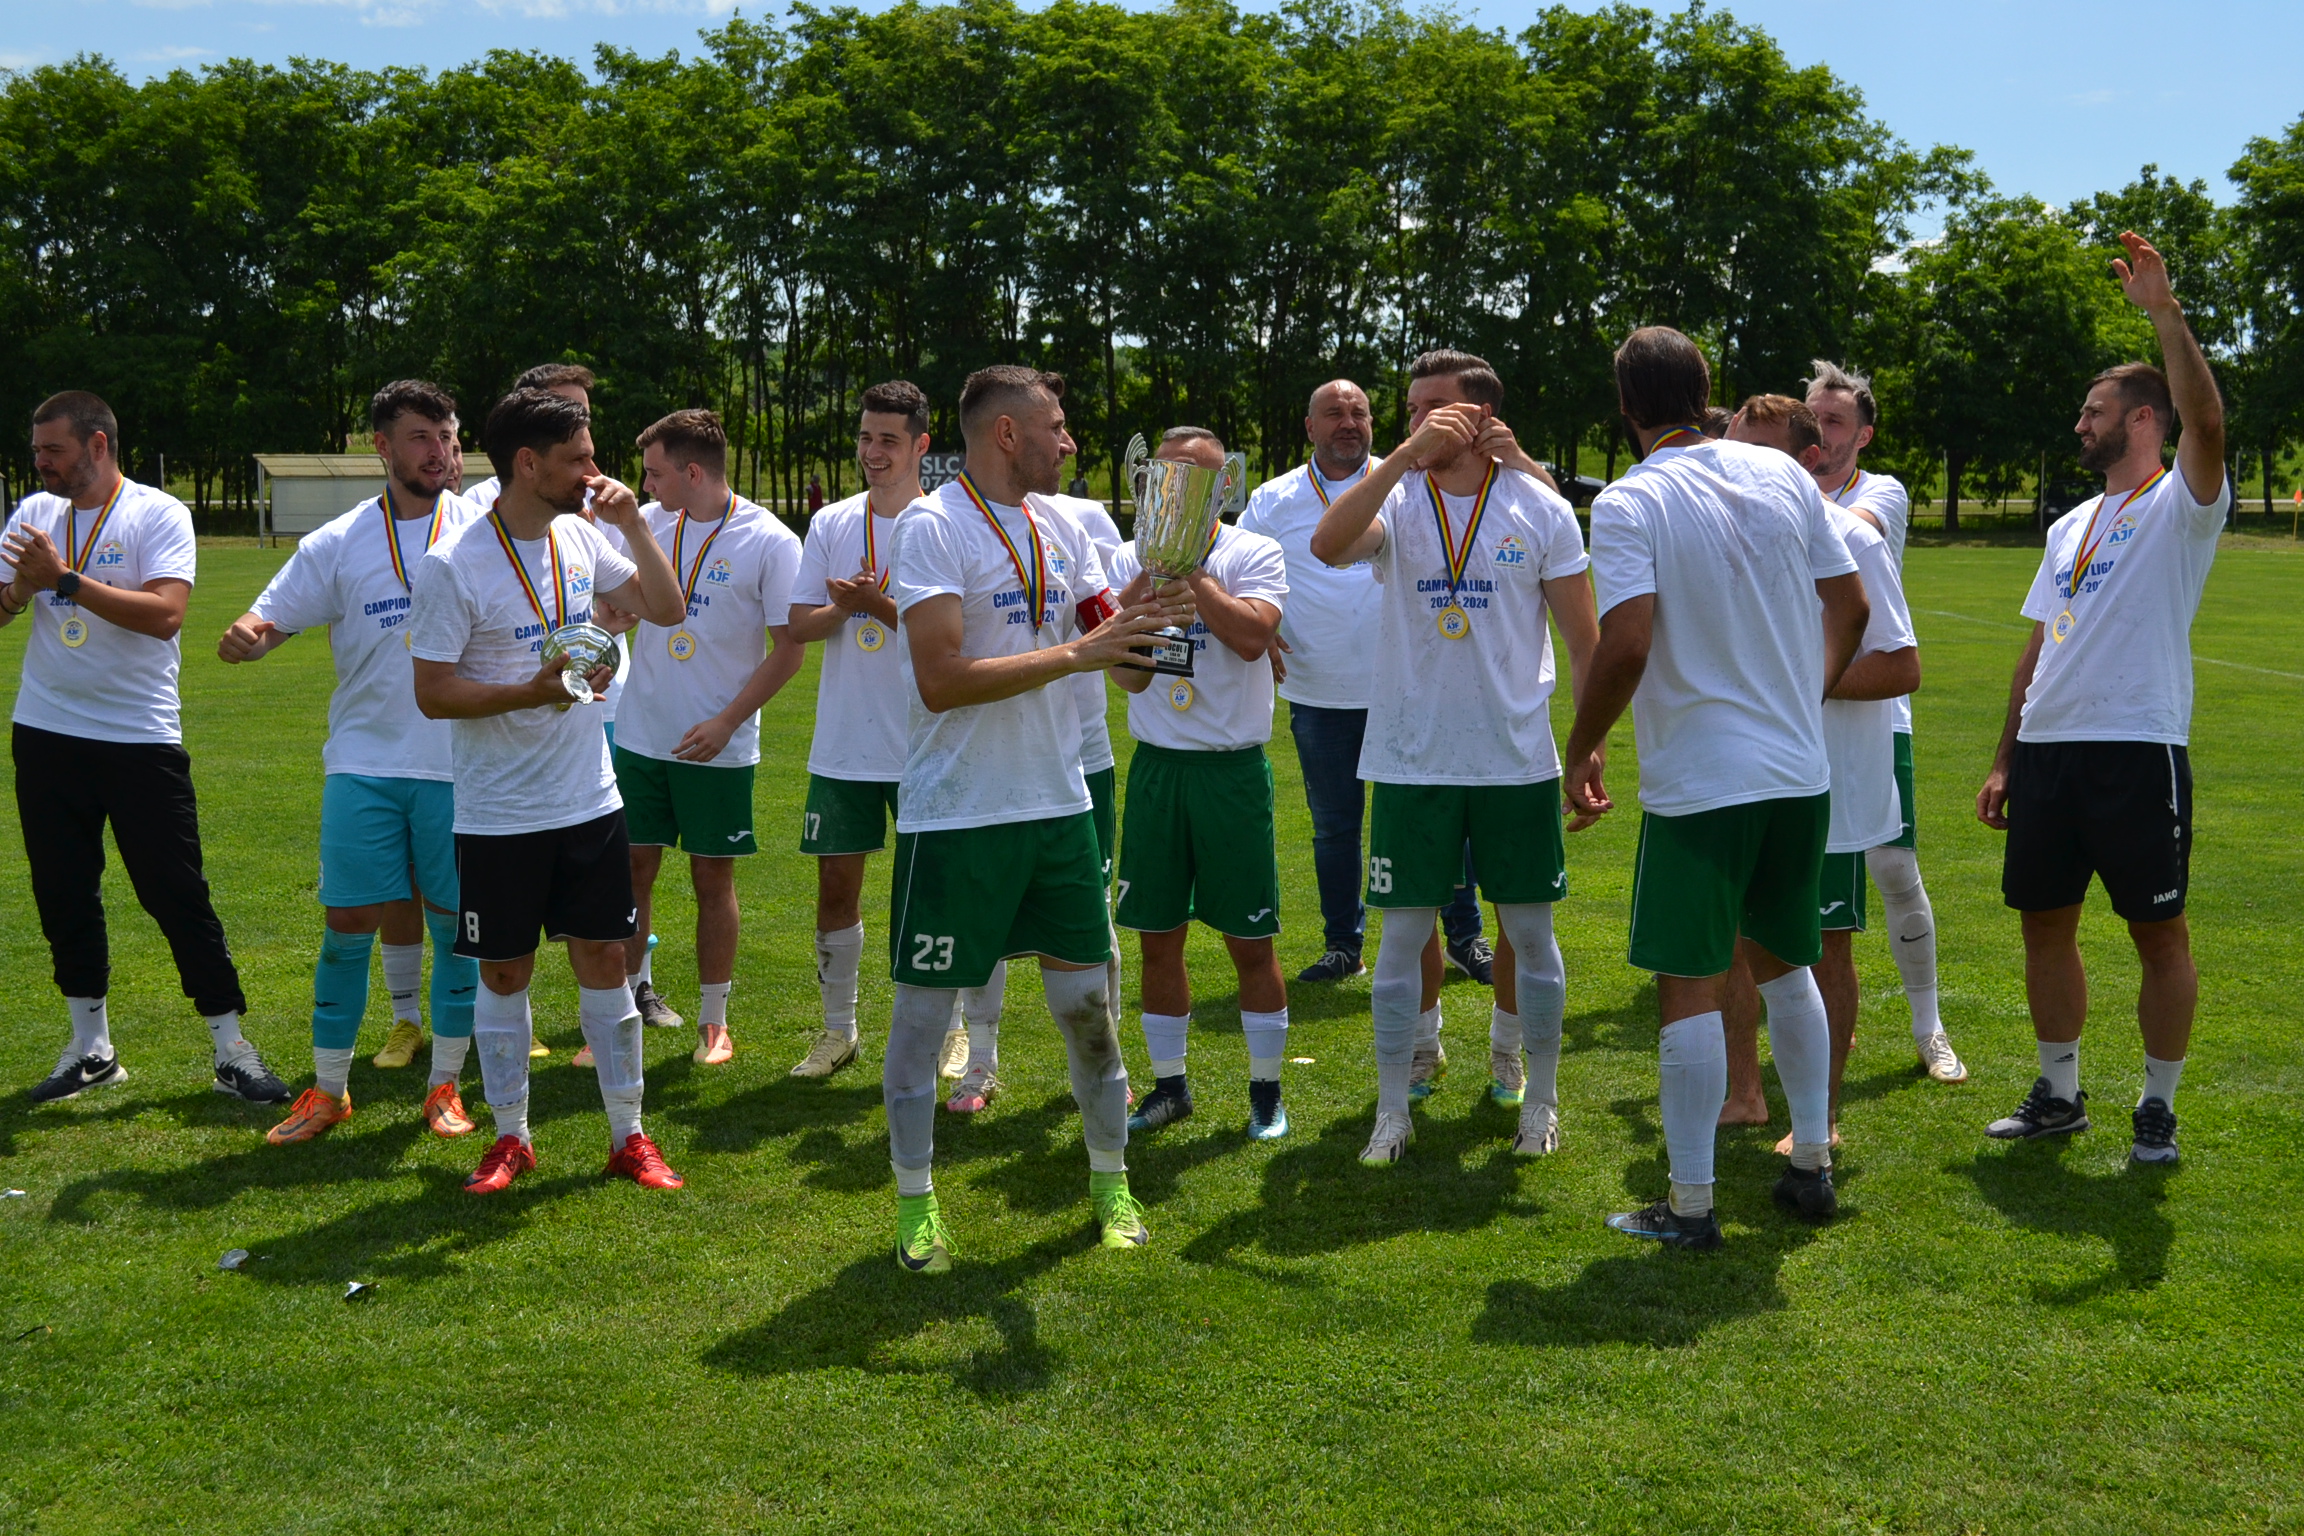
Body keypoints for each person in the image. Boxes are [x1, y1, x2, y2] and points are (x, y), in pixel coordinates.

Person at [1563, 327, 1868, 1248]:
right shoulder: (1780, 474)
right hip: (1797, 773)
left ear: (1626, 407)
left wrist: (1581, 747)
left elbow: (1626, 643)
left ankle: (1691, 1206)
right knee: (1786, 964)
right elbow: (1850, 605)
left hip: (1702, 781)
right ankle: (1811, 1165)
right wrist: (1803, 693)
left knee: (1689, 986)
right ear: (1704, 393)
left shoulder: (1629, 499)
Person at [879, 364, 1183, 1272]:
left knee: (1089, 1011)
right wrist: (1080, 652)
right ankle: (915, 1204)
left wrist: (1144, 621)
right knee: (922, 1023)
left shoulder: (1064, 526)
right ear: (1007, 433)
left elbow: (1126, 671)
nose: (1069, 441)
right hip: (958, 818)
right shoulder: (932, 526)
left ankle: (1109, 1183)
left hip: (1058, 806)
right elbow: (940, 680)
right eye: (1056, 425)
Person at [1974, 232, 2228, 1165]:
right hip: (2049, 752)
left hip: (2136, 748)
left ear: (2144, 420)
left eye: (2095, 411)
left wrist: (2164, 315)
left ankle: (2157, 1106)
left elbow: (2209, 424)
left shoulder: (2182, 504)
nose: (2080, 424)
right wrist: (2006, 755)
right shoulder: (2070, 524)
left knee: (2159, 933)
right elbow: (2039, 644)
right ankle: (2060, 1093)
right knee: (2045, 924)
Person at [1310, 350, 1598, 1166]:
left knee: (1531, 936)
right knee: (1399, 941)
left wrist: (1588, 746)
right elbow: (1328, 544)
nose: (1416, 422)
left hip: (1515, 762)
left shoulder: (1539, 507)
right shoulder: (1398, 496)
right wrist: (1402, 456)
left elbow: (1585, 641)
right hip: (1411, 760)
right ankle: (1392, 1109)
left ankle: (1537, 1096)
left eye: (1432, 408)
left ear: (1480, 417)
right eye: (1409, 410)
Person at [408, 387, 690, 1194]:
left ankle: (629, 1135)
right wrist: (530, 692)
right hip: (498, 813)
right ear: (528, 464)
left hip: (588, 800)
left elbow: (665, 608)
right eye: (579, 459)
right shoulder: (452, 564)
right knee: (505, 974)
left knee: (605, 958)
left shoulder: (582, 533)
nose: (594, 472)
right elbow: (432, 692)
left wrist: (635, 523)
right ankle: (511, 1138)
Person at [3, 392, 292, 1105]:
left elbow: (166, 615)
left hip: (138, 737)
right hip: (46, 732)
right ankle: (91, 1049)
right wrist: (16, 593)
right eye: (36, 450)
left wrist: (63, 579)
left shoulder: (157, 512)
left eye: (53, 450)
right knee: (63, 892)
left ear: (98, 445)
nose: (41, 463)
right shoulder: (33, 514)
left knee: (175, 893)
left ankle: (231, 1050)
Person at [218, 379, 483, 1143]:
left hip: (459, 764)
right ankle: (329, 1091)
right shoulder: (338, 540)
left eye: (446, 436)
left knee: (456, 930)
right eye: (420, 436)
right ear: (382, 446)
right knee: (346, 925)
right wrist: (247, 634)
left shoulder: (483, 532)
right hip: (364, 763)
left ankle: (445, 1087)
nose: (437, 451)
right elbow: (272, 617)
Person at [1241, 380, 1493, 988]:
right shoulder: (1273, 499)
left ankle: (1464, 936)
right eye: (1333, 413)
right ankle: (1342, 945)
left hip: (1411, 688)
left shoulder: (1411, 480)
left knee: (1440, 818)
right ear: (1310, 427)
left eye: (1359, 412)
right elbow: (1240, 564)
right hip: (1321, 690)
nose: (1348, 422)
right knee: (1335, 827)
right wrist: (1256, 621)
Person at [1721, 396, 1918, 1150]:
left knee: (1826, 943)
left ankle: (1823, 1118)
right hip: (1743, 773)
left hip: (1833, 785)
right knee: (1738, 940)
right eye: (1731, 450)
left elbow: (1902, 665)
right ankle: (1745, 1093)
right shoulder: (1725, 537)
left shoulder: (1852, 538)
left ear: (1807, 462)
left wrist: (1802, 683)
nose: (1735, 468)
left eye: (1757, 453)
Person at [789, 382, 998, 1087]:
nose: (873, 452)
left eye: (888, 439)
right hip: (845, 742)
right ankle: (838, 1030)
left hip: (927, 743)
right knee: (835, 889)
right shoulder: (832, 522)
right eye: (864, 437)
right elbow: (799, 624)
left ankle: (955, 1032)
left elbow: (948, 639)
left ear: (921, 446)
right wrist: (844, 608)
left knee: (942, 893)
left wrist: (873, 602)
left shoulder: (944, 524)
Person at [594, 409, 802, 1067]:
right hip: (641, 736)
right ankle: (628, 1006)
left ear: (691, 471)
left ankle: (715, 1021)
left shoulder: (769, 540)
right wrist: (611, 622)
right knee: (633, 871)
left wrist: (728, 721)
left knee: (713, 878)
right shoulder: (647, 524)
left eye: (654, 473)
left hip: (717, 744)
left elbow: (790, 649)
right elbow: (615, 608)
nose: (646, 486)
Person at [1105, 426, 1293, 1139]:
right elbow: (1125, 676)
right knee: (1157, 938)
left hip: (1230, 772)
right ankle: (1170, 1087)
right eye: (1167, 475)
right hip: (1158, 770)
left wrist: (1194, 571)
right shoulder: (1128, 558)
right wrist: (1149, 577)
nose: (1178, 487)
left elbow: (1250, 638)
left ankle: (1267, 1094)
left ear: (1223, 487)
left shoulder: (1253, 551)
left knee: (1251, 942)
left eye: (1195, 477)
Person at [1802, 359, 1966, 1089]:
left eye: (1835, 421)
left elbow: (1850, 533)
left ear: (1863, 435)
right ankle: (1814, 1018)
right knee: (1806, 874)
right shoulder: (1788, 488)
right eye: (1811, 418)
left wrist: (1771, 489)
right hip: (1798, 716)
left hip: (1875, 710)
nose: (1821, 431)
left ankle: (1928, 1024)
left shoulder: (1881, 494)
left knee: (1894, 867)